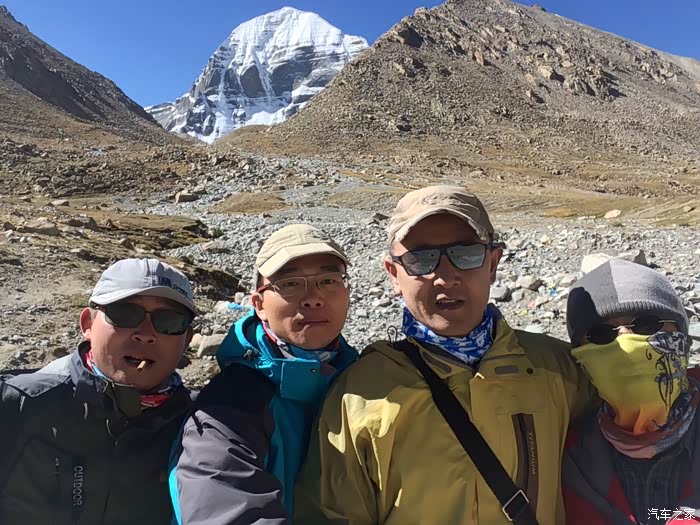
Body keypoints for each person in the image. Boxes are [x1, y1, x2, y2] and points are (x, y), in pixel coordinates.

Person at [295, 185, 593, 525]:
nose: (445, 277)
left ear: (493, 263)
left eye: (465, 254)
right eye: (421, 259)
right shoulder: (360, 396)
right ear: (394, 275)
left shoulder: (560, 370)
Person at [170, 224, 358, 525]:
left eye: (328, 280)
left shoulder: (367, 377)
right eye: (290, 284)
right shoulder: (228, 406)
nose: (314, 298)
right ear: (259, 305)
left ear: (347, 292)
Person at [0, 258, 196, 524]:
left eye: (169, 321)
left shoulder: (202, 428)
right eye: (125, 314)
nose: (145, 334)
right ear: (87, 325)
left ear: (187, 339)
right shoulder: (17, 405)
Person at [563, 259, 700, 524]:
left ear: (681, 336)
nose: (625, 344)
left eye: (646, 325)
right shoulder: (571, 455)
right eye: (601, 334)